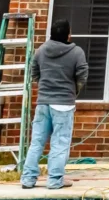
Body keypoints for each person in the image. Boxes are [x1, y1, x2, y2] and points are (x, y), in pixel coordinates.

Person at [20, 18, 88, 190]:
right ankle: (55, 180)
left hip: (43, 103)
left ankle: (28, 179)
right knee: (60, 142)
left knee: (37, 141)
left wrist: (45, 87)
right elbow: (82, 76)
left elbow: (34, 73)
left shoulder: (40, 50)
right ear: (67, 34)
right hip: (64, 105)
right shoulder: (77, 52)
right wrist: (74, 91)